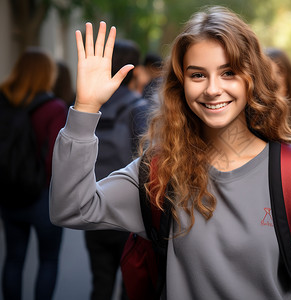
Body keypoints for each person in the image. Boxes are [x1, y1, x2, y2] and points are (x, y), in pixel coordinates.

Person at [50, 6, 291, 299]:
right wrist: (85, 108)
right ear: (181, 85)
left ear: (252, 78)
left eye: (228, 72)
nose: (213, 89)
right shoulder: (160, 170)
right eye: (198, 75)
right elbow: (70, 208)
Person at [83, 38, 150, 300]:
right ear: (134, 69)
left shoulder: (91, 105)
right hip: (127, 207)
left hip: (92, 201)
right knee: (130, 284)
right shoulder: (139, 108)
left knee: (100, 281)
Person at [0, 48, 67, 300]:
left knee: (13, 258)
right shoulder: (54, 107)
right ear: (47, 74)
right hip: (41, 196)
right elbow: (55, 159)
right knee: (48, 259)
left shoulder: (3, 101)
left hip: (8, 191)